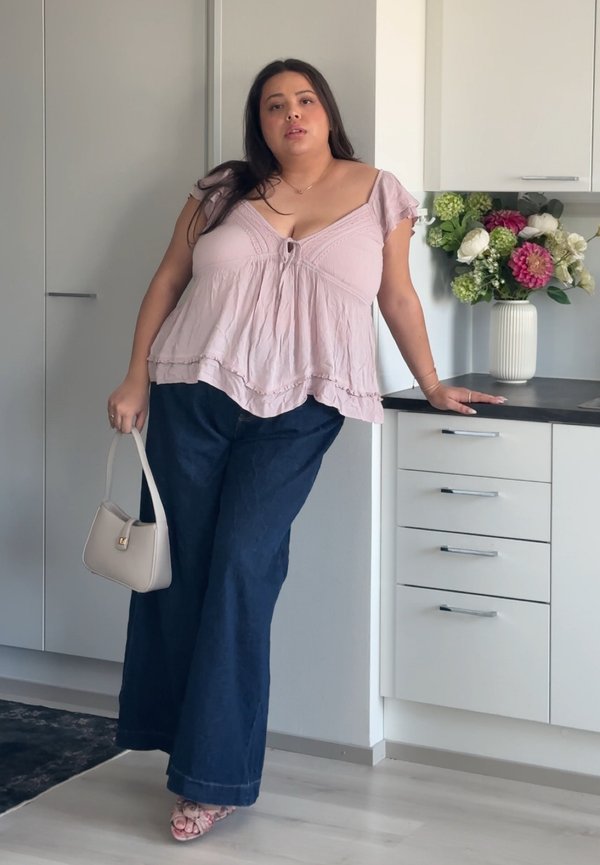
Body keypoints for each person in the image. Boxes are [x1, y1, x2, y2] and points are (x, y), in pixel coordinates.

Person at [107, 57, 506, 843]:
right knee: (179, 576)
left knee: (241, 569)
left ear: (327, 111)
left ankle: (213, 776)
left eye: (305, 101)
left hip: (302, 409)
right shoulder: (223, 189)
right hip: (192, 393)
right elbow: (168, 279)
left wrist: (429, 382)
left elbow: (395, 293)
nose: (291, 115)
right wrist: (134, 378)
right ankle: (178, 748)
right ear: (259, 123)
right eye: (273, 106)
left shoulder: (379, 191)